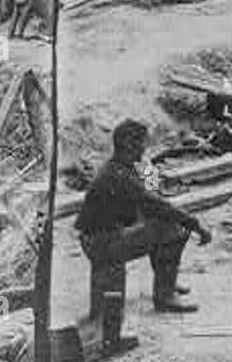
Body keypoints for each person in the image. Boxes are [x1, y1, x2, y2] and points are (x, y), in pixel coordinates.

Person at [75, 119, 212, 315]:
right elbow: (157, 204)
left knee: (161, 223)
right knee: (173, 228)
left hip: (98, 238)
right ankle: (165, 295)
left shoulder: (119, 165)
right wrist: (197, 225)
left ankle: (167, 283)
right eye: (142, 144)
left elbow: (152, 192)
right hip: (102, 243)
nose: (145, 149)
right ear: (130, 145)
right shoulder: (119, 174)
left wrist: (149, 172)